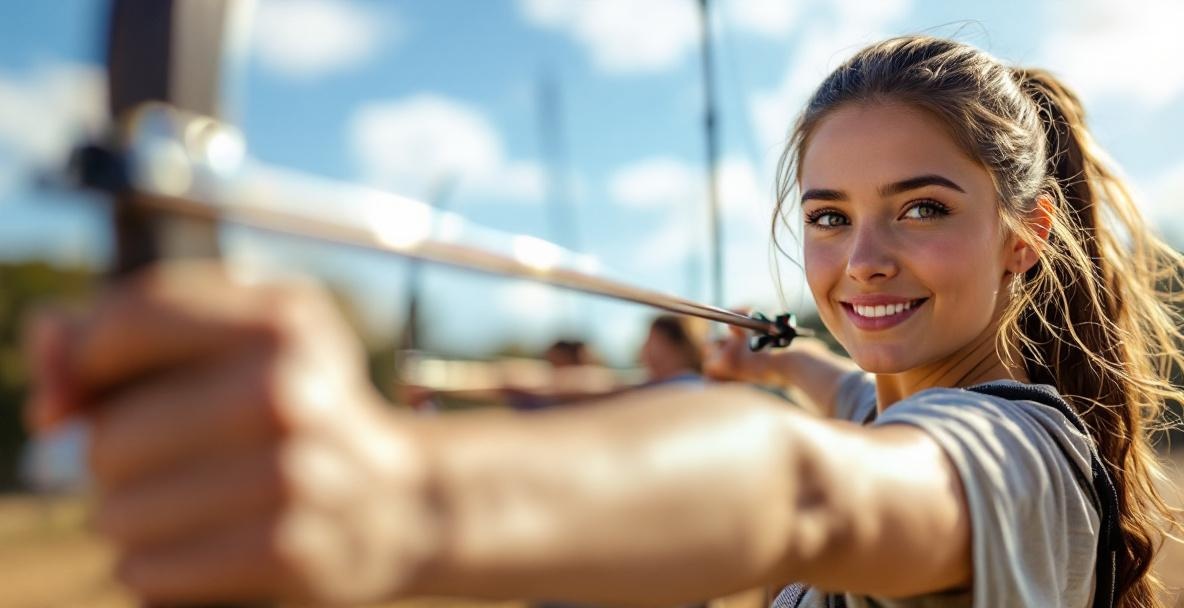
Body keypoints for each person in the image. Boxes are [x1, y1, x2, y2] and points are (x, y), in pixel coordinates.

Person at [23, 35, 1184, 607]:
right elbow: (833, 395)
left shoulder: (1023, 454)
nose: (861, 257)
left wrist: (398, 492)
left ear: (1022, 234)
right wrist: (770, 365)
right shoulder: (889, 404)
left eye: (921, 208)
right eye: (828, 216)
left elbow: (805, 490)